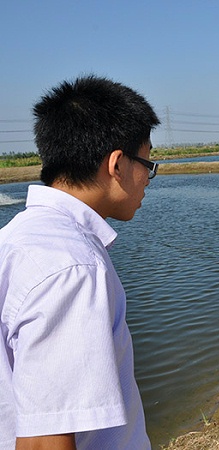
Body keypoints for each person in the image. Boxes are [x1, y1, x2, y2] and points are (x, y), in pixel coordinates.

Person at [0, 75, 160, 449]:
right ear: (117, 164)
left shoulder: (16, 237)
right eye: (147, 164)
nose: (149, 179)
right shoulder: (72, 268)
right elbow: (44, 441)